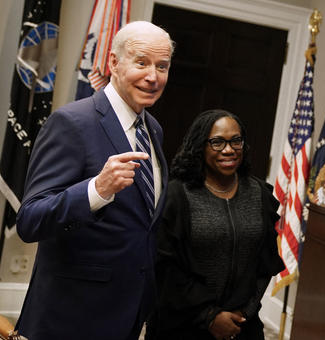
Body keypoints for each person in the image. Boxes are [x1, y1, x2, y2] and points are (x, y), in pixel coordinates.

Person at [16, 21, 174, 340]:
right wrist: (95, 191)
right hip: (70, 318)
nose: (153, 77)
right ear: (114, 63)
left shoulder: (153, 129)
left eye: (162, 66)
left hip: (127, 315)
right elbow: (30, 220)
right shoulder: (71, 122)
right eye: (141, 62)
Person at [146, 110, 284, 340]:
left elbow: (264, 263)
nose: (228, 149)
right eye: (217, 142)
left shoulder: (259, 194)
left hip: (241, 326)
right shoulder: (178, 195)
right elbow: (164, 269)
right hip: (182, 325)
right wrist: (209, 316)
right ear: (201, 146)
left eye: (235, 141)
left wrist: (245, 312)